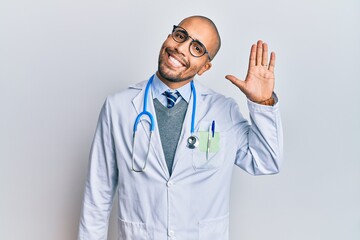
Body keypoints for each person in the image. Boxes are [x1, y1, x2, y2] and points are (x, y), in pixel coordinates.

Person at [78, 15, 283, 240]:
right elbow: (97, 196)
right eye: (180, 36)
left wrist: (262, 103)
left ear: (205, 67)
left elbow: (266, 161)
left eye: (197, 48)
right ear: (169, 37)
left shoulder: (223, 111)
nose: (181, 49)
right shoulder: (118, 107)